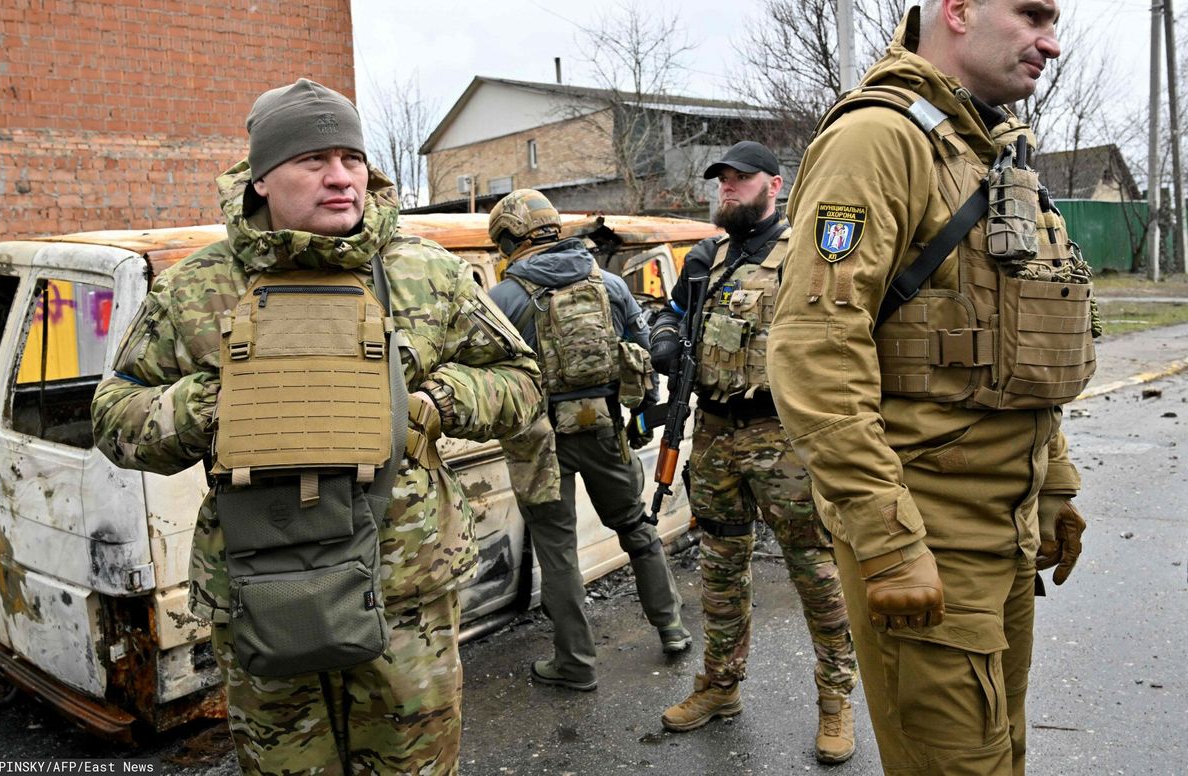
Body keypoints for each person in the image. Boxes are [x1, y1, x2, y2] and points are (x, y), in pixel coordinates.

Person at [91, 78, 542, 775]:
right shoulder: (196, 287)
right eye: (313, 160)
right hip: (261, 591)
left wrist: (435, 403)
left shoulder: (426, 272)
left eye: (352, 159)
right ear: (263, 178)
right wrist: (217, 407)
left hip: (405, 592)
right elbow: (114, 416)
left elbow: (522, 380)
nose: (340, 178)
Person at [767, 0, 1092, 776]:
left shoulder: (990, 151)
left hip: (1006, 530)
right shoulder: (881, 141)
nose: (1050, 42)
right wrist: (884, 539)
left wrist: (1054, 485)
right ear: (957, 10)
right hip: (927, 535)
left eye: (1052, 22)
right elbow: (814, 353)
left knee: (1003, 752)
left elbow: (1020, 341)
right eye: (1033, 16)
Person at [650, 142, 858, 763]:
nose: (728, 189)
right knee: (718, 564)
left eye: (740, 180)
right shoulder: (703, 257)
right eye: (721, 181)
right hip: (714, 432)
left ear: (775, 184)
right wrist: (663, 336)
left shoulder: (805, 253)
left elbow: (841, 329)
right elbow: (670, 312)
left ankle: (836, 699)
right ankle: (719, 684)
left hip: (782, 434)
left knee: (813, 570)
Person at [487, 189, 692, 693]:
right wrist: (639, 411)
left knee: (558, 550)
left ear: (511, 238)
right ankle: (672, 629)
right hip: (603, 427)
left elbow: (488, 379)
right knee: (635, 527)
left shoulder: (502, 299)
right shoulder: (611, 284)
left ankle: (576, 663)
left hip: (538, 438)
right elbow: (642, 350)